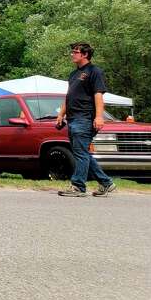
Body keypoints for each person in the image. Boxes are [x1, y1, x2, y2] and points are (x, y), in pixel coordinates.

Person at [56, 42, 116, 197]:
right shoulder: (73, 74)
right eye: (72, 51)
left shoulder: (94, 72)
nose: (72, 54)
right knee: (82, 153)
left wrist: (99, 117)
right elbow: (69, 96)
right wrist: (61, 114)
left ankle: (78, 186)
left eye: (75, 52)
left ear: (85, 55)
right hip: (73, 118)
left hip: (85, 118)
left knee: (81, 153)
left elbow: (98, 95)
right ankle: (106, 183)